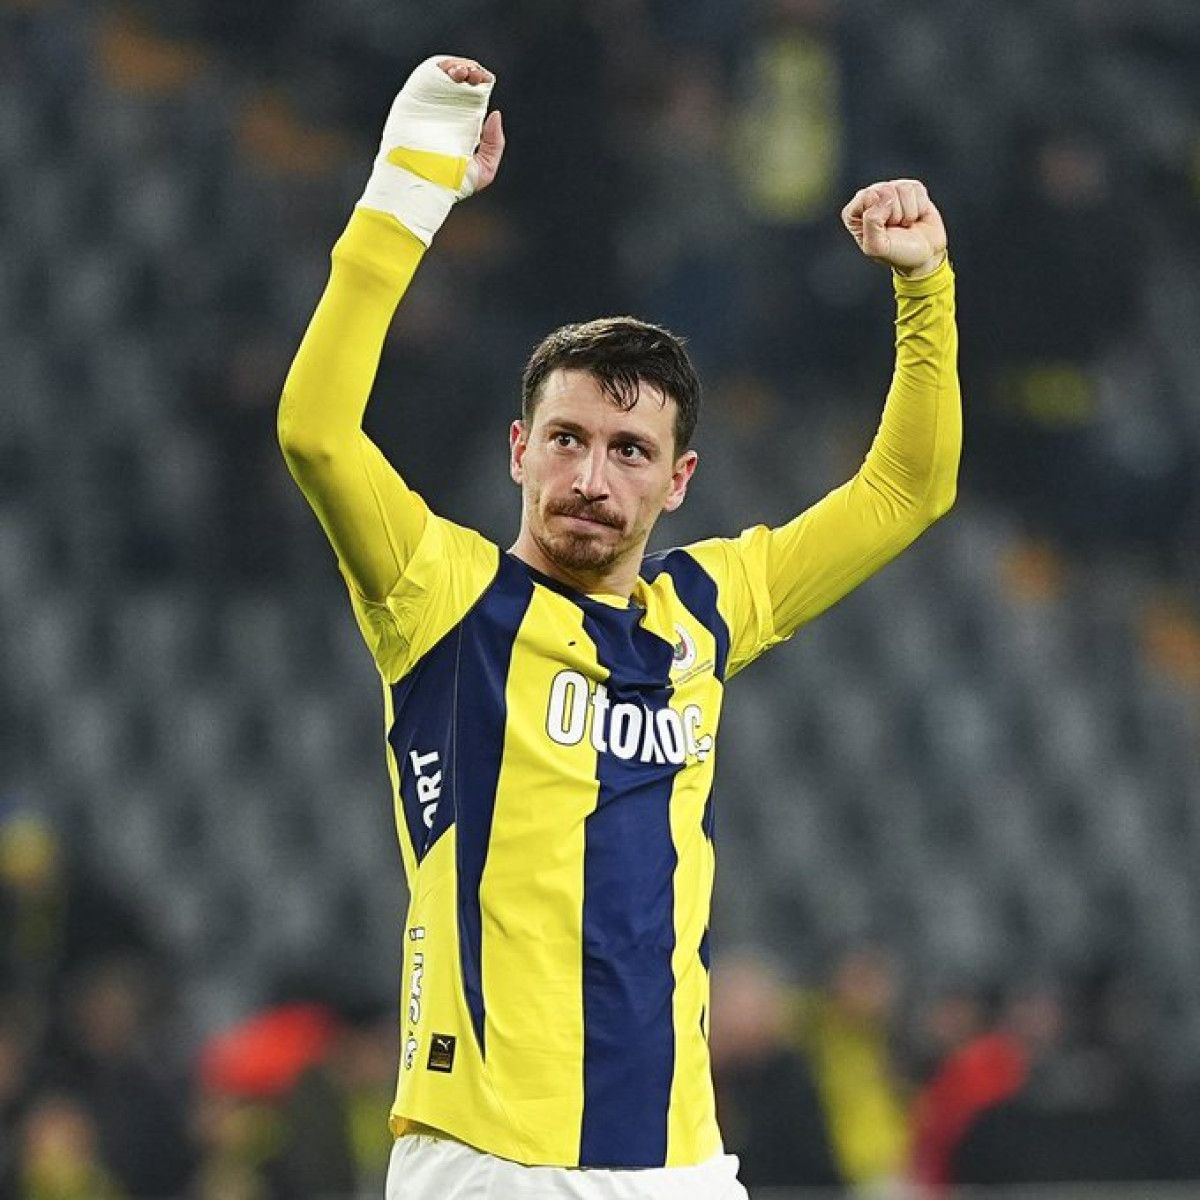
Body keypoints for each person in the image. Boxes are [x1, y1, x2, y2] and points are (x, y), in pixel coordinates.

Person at [278, 53, 959, 1200]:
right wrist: (409, 191)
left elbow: (908, 491)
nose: (592, 477)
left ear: (679, 480)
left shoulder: (710, 607)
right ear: (519, 451)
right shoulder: (443, 597)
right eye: (568, 440)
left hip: (677, 1163)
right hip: (485, 1162)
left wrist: (925, 287)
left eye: (630, 450)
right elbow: (316, 432)